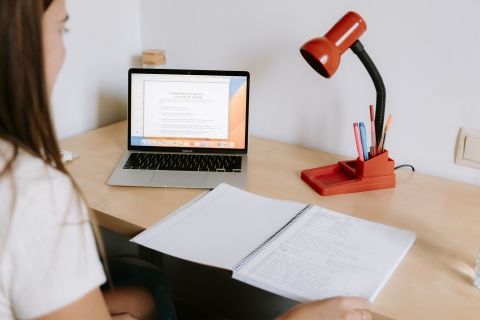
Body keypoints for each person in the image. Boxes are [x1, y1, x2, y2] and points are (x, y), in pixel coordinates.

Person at [0, 0, 373, 319]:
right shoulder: (29, 192)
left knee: (147, 286)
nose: (65, 50)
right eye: (62, 31)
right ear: (20, 43)